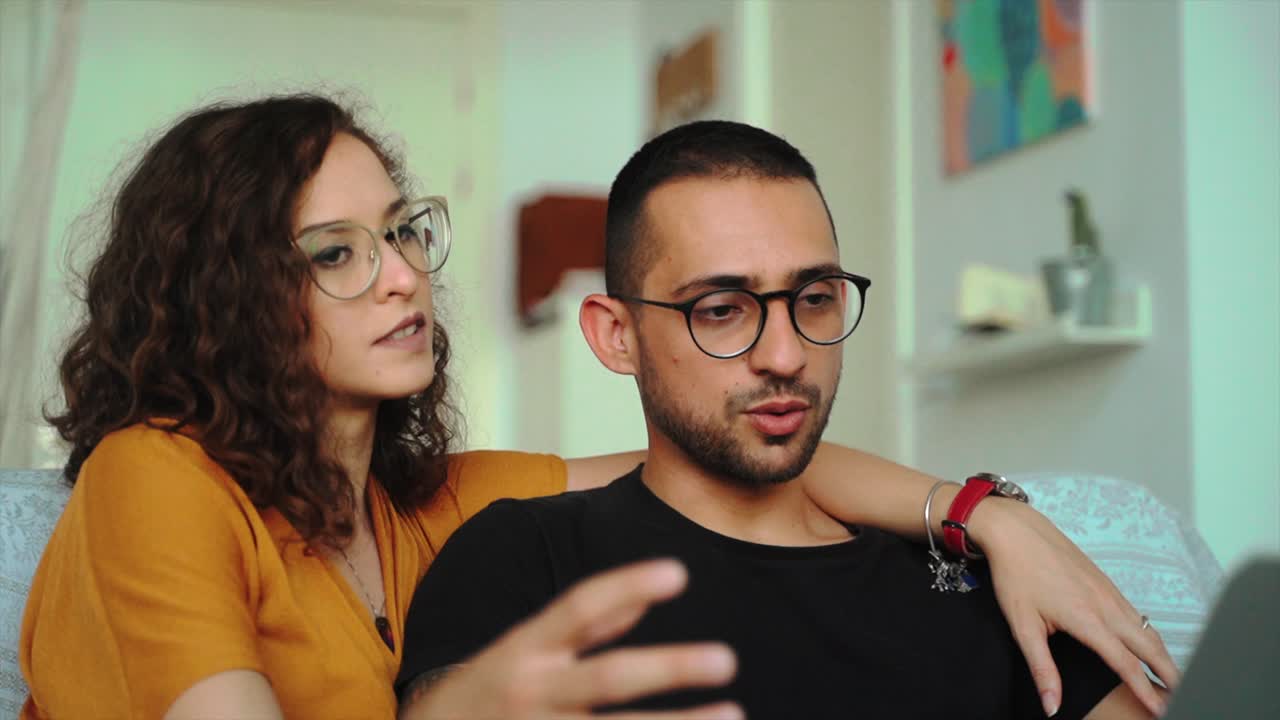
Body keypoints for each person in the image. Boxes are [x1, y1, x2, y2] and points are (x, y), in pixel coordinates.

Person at [18, 95, 1173, 719]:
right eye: (335, 253)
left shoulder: (427, 504)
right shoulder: (155, 474)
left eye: (404, 232)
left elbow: (734, 442)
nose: (403, 275)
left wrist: (983, 512)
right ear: (224, 289)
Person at [394, 121, 1169, 719]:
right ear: (616, 336)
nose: (786, 354)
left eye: (815, 298)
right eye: (723, 310)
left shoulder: (969, 578)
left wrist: (989, 520)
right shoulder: (524, 554)